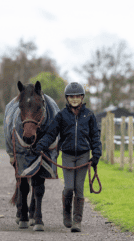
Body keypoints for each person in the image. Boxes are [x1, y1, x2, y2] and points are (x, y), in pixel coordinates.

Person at [32, 82, 102, 232]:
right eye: (72, 97)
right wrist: (41, 145)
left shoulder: (89, 115)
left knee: (79, 188)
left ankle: (77, 221)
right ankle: (66, 213)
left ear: (82, 97)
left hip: (83, 156)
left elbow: (95, 136)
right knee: (69, 188)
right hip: (68, 156)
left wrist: (96, 155)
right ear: (67, 98)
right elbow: (51, 134)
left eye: (77, 96)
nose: (75, 99)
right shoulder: (61, 116)